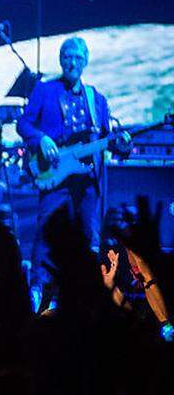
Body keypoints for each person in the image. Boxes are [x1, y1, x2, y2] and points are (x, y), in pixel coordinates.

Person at [18, 36, 131, 260]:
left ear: (85, 62)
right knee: (46, 234)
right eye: (68, 57)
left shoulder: (96, 98)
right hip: (56, 174)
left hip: (88, 181)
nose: (72, 63)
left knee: (90, 237)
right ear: (61, 60)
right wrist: (41, 138)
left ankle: (87, 289)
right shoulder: (45, 90)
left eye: (78, 58)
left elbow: (107, 138)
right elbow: (23, 124)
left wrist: (124, 145)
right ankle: (38, 288)